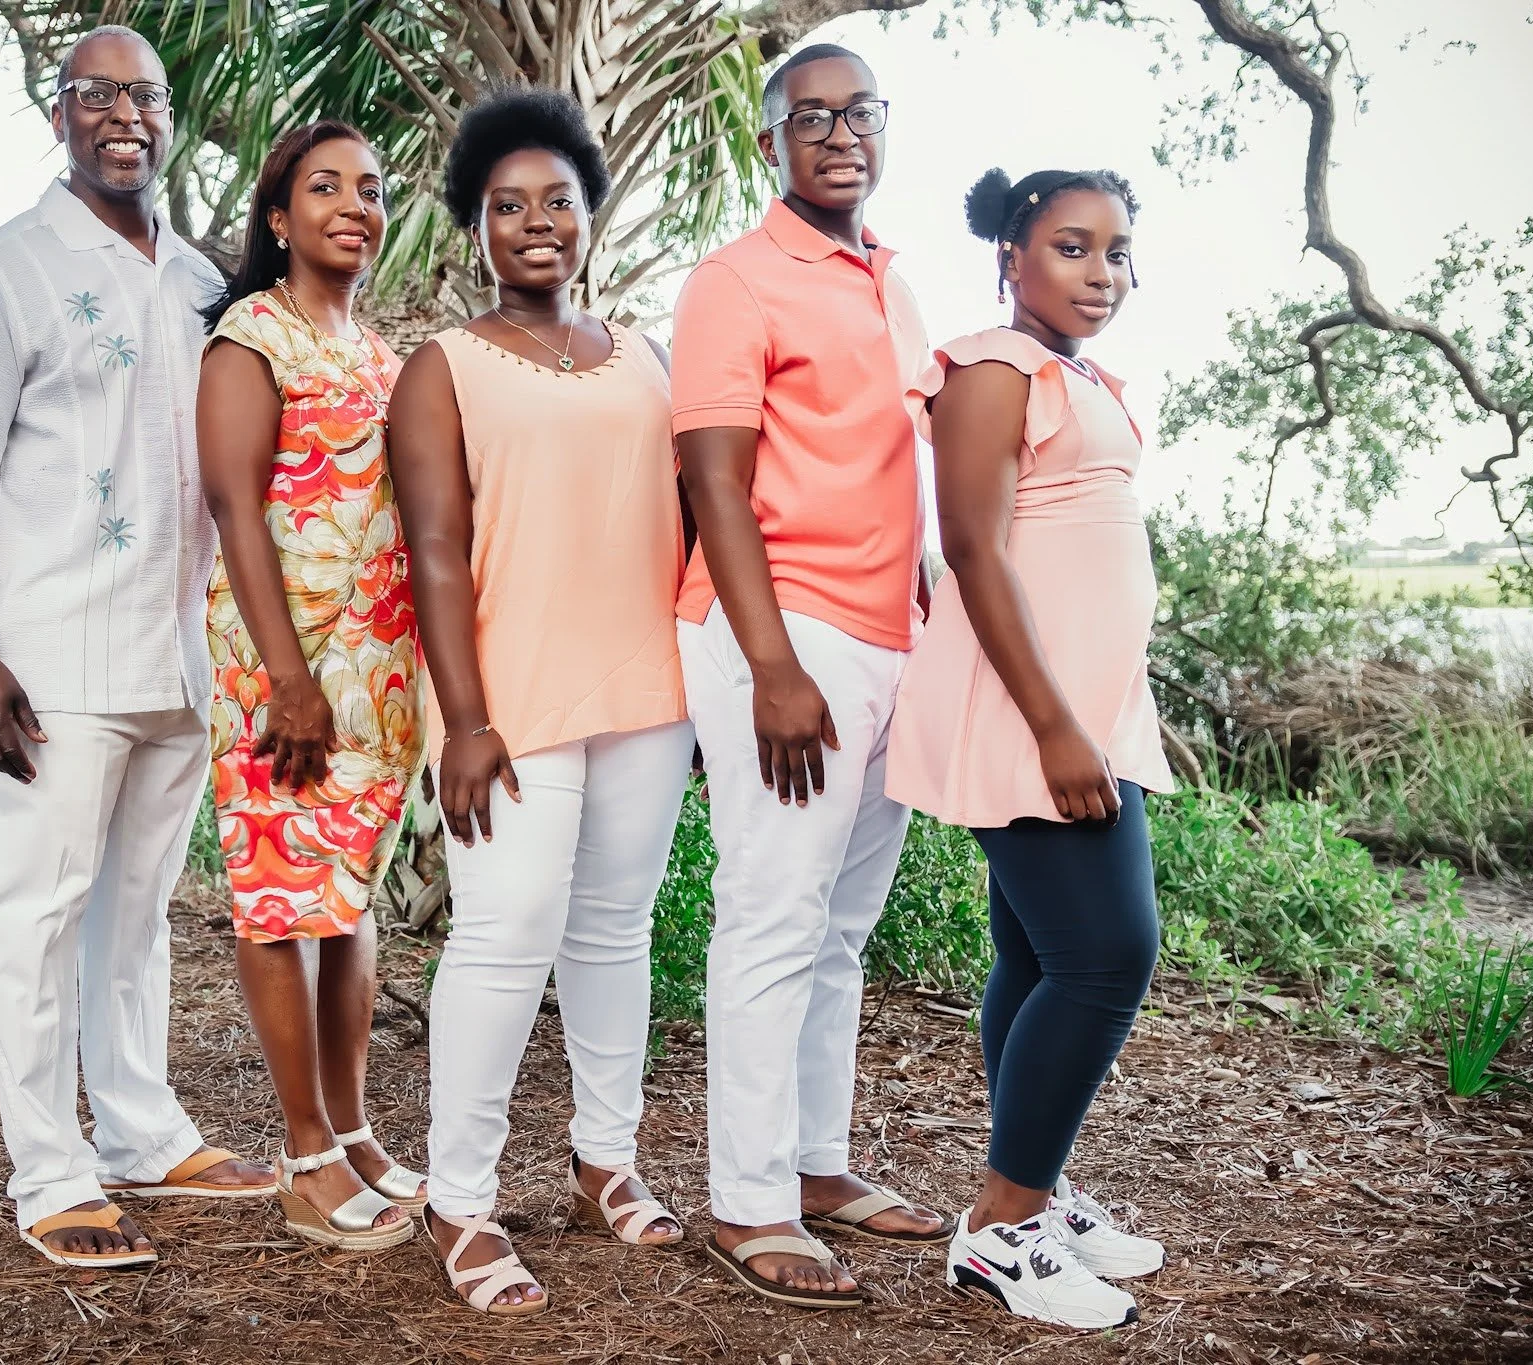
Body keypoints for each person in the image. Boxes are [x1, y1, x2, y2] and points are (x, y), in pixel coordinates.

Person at [0, 25, 275, 1271]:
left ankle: (143, 1134)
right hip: (49, 653)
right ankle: (50, 1170)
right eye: (98, 93)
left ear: (167, 120)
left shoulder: (198, 283)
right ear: (57, 115)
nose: (126, 114)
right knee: (36, 913)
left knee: (139, 913)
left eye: (147, 95)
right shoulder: (0, 273)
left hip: (175, 651)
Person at [388, 87, 695, 1317]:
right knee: (505, 934)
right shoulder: (442, 367)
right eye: (505, 205)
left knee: (616, 932)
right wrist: (462, 721)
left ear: (586, 216)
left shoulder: (642, 357)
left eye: (555, 202)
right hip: (506, 699)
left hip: (646, 685)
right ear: (475, 226)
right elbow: (434, 555)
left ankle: (603, 1160)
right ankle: (458, 1201)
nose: (533, 223)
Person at [671, 42, 947, 1310]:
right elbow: (713, 481)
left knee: (840, 924)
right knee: (773, 916)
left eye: (860, 114)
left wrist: (931, 587)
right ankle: (747, 1202)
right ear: (770, 142)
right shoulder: (734, 283)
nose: (839, 134)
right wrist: (772, 662)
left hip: (887, 633)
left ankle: (817, 1165)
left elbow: (898, 466)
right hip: (783, 634)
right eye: (810, 117)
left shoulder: (891, 278)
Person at [884, 166, 1174, 1330]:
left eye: (1114, 252)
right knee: (1108, 956)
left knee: (1040, 954)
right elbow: (974, 550)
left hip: (1080, 704)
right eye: (1070, 247)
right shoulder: (990, 367)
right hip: (1022, 706)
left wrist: (1103, 707)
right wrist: (1055, 723)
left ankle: (1033, 1195)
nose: (1100, 273)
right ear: (1010, 252)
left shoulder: (1073, 371)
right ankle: (1000, 1230)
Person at [196, 119, 425, 1254]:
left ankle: (349, 1128)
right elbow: (236, 508)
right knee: (281, 897)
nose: (352, 203)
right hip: (282, 670)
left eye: (369, 188)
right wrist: (287, 678)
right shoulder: (253, 335)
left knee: (346, 905)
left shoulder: (384, 358)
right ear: (278, 219)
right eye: (322, 187)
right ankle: (300, 1157)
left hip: (376, 673)